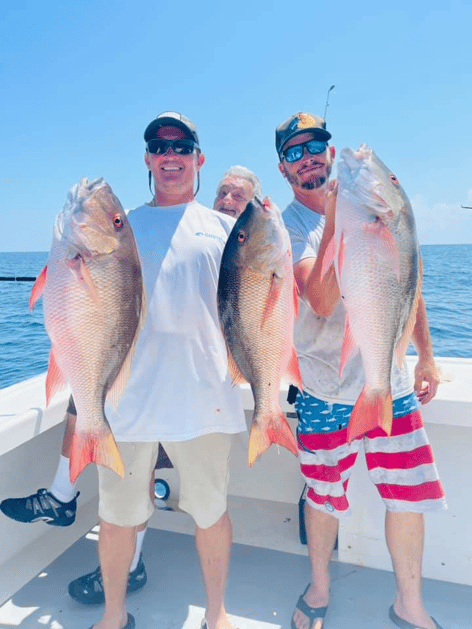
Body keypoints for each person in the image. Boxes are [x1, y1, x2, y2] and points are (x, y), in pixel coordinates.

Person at [0, 162, 261, 609]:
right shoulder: (129, 227)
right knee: (117, 516)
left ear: (198, 158)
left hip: (205, 402)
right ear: (148, 159)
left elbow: (256, 304)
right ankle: (114, 614)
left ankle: (216, 614)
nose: (170, 153)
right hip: (128, 400)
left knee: (211, 513)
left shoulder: (227, 231)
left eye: (181, 145)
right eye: (159, 146)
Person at [276, 112, 446, 629]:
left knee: (408, 495)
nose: (308, 159)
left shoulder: (378, 213)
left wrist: (427, 355)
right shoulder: (287, 227)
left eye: (315, 148)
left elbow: (405, 284)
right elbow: (323, 302)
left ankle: (408, 602)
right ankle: (321, 587)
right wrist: (333, 221)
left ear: (330, 152)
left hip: (389, 385)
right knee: (324, 497)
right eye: (294, 154)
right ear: (284, 169)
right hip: (325, 387)